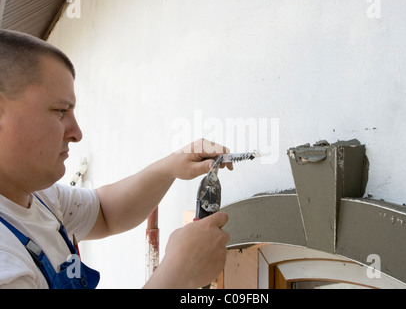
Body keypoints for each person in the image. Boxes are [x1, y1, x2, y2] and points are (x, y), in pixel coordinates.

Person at [0, 29, 232, 289]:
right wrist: (178, 274)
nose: (77, 133)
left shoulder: (40, 198)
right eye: (59, 111)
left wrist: (171, 167)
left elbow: (105, 213)